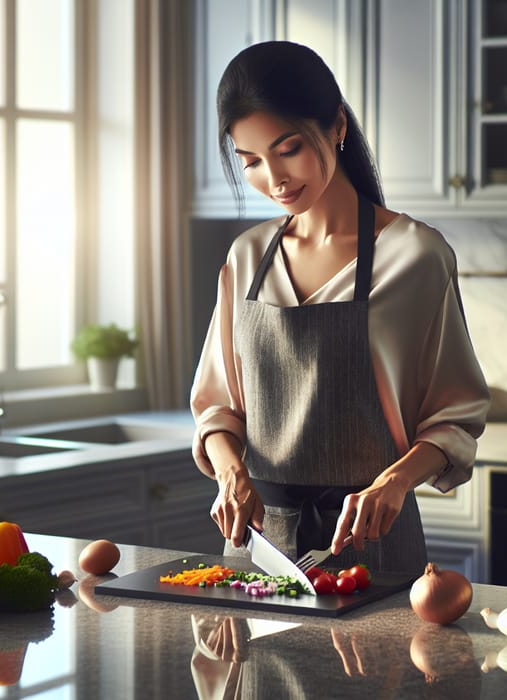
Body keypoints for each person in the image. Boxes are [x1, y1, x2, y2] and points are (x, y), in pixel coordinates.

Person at [190, 40, 490, 577]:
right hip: (258, 553)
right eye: (251, 161)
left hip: (372, 544)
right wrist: (231, 474)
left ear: (337, 127)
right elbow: (218, 410)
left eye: (287, 149)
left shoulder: (415, 257)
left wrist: (393, 482)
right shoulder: (248, 256)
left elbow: (455, 419)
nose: (274, 179)